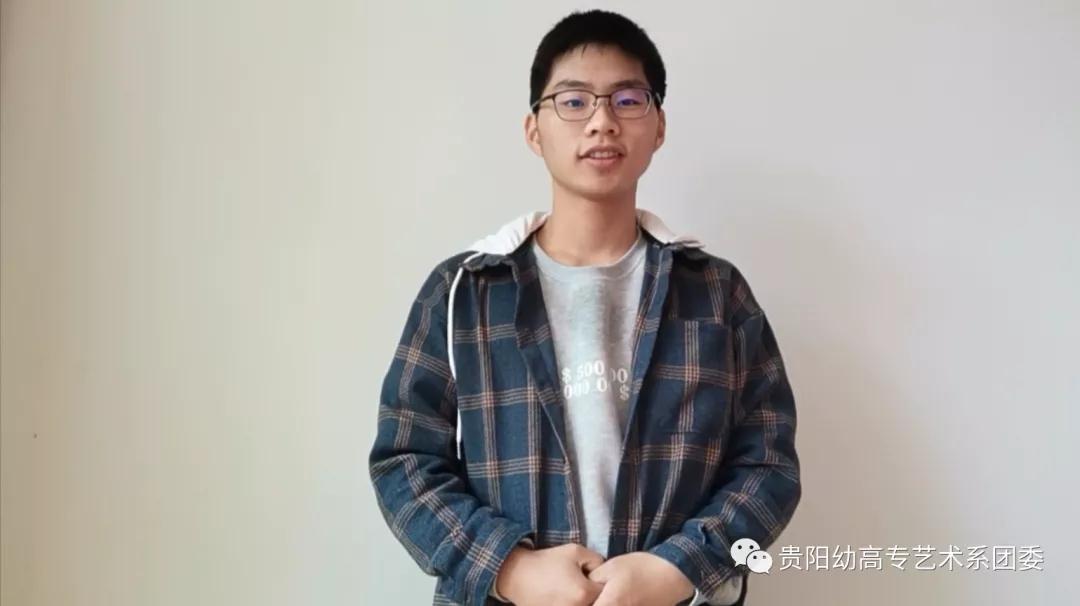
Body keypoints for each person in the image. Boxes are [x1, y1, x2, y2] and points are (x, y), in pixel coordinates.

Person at [369, 9, 800, 605]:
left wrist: (678, 568)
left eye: (627, 100)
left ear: (658, 125)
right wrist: (509, 567)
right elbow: (405, 459)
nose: (602, 121)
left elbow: (768, 466)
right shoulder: (463, 292)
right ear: (534, 130)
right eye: (573, 101)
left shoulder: (716, 294)